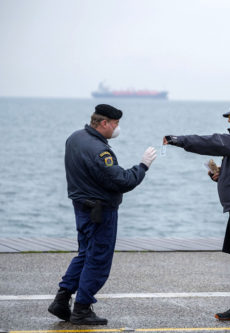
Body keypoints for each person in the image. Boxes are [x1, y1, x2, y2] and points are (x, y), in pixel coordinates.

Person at [163, 101, 230, 326]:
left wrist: (180, 140)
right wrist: (221, 175)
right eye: (228, 117)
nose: (229, 120)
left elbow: (214, 141)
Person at [48, 104, 157, 325]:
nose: (117, 128)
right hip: (100, 211)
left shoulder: (75, 137)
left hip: (81, 206)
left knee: (85, 254)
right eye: (115, 124)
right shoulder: (100, 151)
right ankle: (82, 309)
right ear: (104, 123)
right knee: (98, 259)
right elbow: (123, 181)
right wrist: (143, 166)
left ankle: (61, 299)